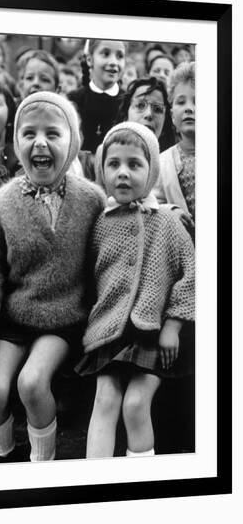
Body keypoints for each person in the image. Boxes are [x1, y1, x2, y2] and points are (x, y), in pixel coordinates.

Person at [0, 92, 106, 462]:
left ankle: (41, 462)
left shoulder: (91, 199)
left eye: (53, 133)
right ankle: (4, 455)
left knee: (32, 383)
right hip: (15, 319)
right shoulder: (1, 204)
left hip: (64, 319)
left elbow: (107, 257)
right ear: (16, 141)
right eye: (29, 133)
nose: (40, 142)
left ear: (73, 142)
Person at [76, 122, 195, 459]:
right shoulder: (100, 223)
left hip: (155, 334)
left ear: (152, 169)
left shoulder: (167, 222)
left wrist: (174, 325)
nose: (123, 174)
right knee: (105, 398)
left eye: (134, 164)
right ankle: (93, 486)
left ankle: (141, 483)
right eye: (113, 165)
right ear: (102, 170)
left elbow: (192, 275)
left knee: (135, 403)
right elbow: (89, 277)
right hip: (110, 333)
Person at [154, 62, 196, 233]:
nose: (189, 108)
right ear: (171, 115)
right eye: (181, 102)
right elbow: (152, 205)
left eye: (197, 101)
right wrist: (170, 211)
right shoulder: (163, 162)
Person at [68, 39, 126, 154]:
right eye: (106, 54)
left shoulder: (127, 102)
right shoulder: (73, 100)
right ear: (90, 60)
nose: (114, 62)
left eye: (119, 56)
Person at [113, 77, 175, 152]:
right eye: (140, 105)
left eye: (157, 109)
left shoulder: (172, 161)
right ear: (125, 116)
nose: (148, 114)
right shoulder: (106, 153)